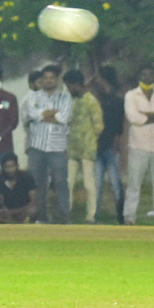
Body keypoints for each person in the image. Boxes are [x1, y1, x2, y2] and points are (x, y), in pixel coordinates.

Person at [23, 63, 72, 224]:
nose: (48, 81)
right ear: (41, 80)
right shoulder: (33, 97)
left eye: (52, 78)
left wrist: (43, 115)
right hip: (37, 147)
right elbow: (33, 115)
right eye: (45, 78)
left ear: (57, 80)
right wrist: (53, 115)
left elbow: (63, 118)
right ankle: (41, 218)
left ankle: (64, 217)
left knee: (60, 183)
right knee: (37, 185)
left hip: (57, 148)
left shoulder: (65, 97)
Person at [122, 65, 154, 226]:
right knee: (134, 184)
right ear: (139, 76)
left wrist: (144, 114)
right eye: (144, 74)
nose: (147, 77)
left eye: (150, 74)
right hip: (138, 146)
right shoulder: (131, 95)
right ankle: (129, 217)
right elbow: (133, 118)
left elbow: (141, 117)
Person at [63, 70, 104, 224]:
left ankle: (91, 216)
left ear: (76, 84)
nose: (67, 89)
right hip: (72, 149)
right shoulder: (71, 101)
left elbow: (99, 126)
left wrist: (88, 138)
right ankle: (66, 214)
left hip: (87, 149)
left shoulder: (91, 101)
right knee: (68, 183)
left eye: (69, 86)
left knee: (89, 184)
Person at [91, 65, 126, 222]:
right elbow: (119, 128)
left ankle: (97, 215)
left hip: (107, 146)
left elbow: (118, 127)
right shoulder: (115, 100)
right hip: (106, 146)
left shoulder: (103, 101)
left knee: (105, 185)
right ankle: (118, 216)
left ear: (103, 79)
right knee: (110, 185)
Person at [0, 154, 36, 224]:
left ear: (17, 166)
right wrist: (5, 211)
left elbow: (33, 201)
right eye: (6, 167)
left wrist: (17, 211)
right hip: (6, 212)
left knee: (33, 210)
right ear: (3, 168)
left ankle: (12, 223)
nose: (9, 170)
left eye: (12, 166)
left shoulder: (26, 177)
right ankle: (11, 222)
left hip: (23, 210)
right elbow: (0, 204)